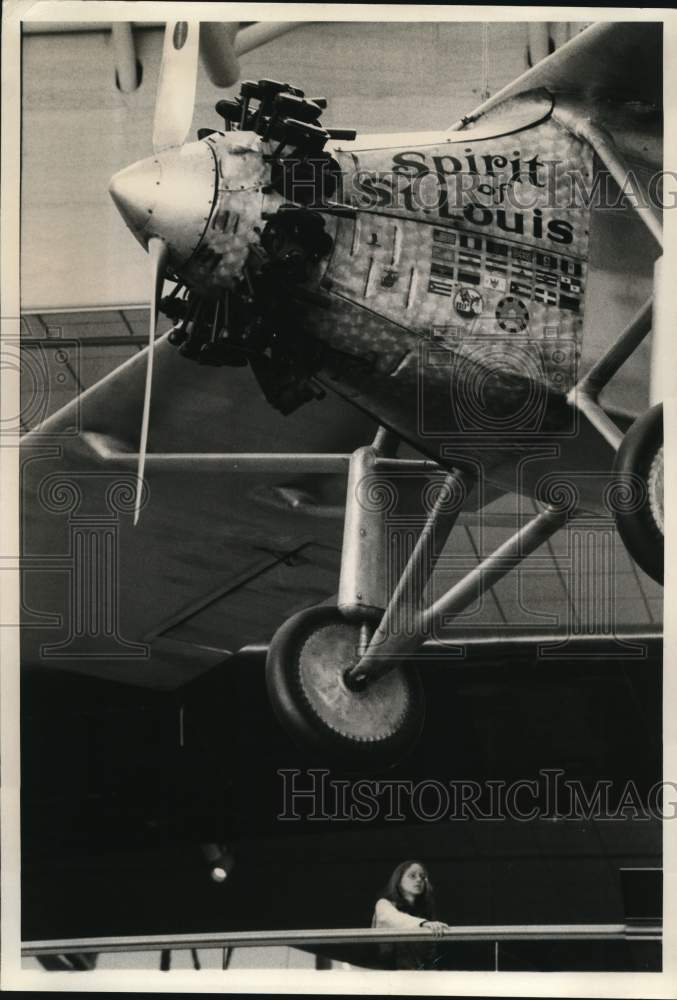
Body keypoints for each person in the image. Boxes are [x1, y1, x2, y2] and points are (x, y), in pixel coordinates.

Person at [371, 860, 449, 970]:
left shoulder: (425, 911)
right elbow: (393, 918)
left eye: (422, 877)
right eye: (412, 876)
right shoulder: (383, 904)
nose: (419, 880)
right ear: (398, 881)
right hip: (389, 974)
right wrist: (424, 924)